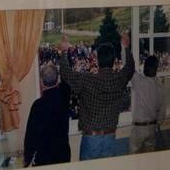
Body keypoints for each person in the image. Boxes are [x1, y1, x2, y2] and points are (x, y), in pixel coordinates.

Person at [57, 31, 134, 161]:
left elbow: (66, 73)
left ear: (97, 60)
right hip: (111, 137)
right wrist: (126, 47)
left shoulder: (87, 79)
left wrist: (64, 52)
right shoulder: (119, 79)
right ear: (114, 60)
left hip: (91, 140)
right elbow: (130, 68)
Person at [23, 63, 72, 167]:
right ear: (58, 80)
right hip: (63, 156)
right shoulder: (64, 98)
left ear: (41, 82)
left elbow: (31, 136)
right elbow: (67, 80)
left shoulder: (38, 106)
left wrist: (27, 159)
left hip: (44, 158)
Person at [129, 56, 167, 154]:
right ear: (156, 69)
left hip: (138, 128)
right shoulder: (161, 87)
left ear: (145, 67)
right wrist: (158, 122)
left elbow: (129, 68)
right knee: (150, 157)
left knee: (134, 158)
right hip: (152, 128)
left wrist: (127, 50)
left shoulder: (139, 81)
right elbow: (162, 112)